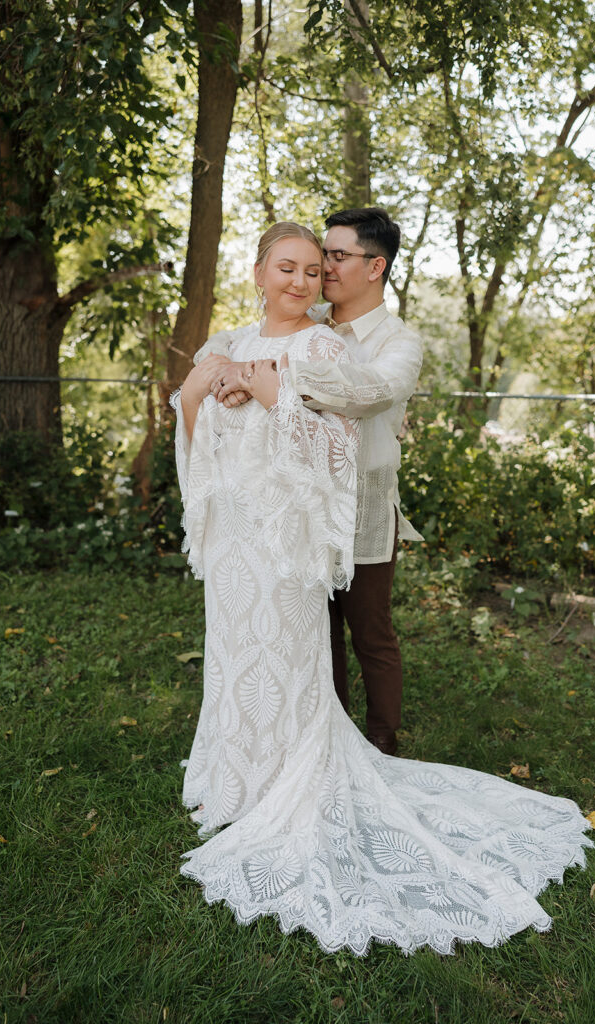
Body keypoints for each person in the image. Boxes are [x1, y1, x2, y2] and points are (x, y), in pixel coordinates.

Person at [172, 220, 592, 956]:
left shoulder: (346, 345)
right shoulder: (231, 340)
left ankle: (361, 747)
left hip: (308, 537)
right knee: (243, 655)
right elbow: (195, 423)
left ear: (373, 265)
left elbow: (343, 427)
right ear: (259, 270)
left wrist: (273, 390)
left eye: (323, 263)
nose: (311, 277)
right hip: (241, 541)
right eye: (295, 266)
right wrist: (203, 391)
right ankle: (234, 770)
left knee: (361, 632)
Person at [213, 207, 424, 756]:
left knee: (369, 628)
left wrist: (272, 376)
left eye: (336, 256)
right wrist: (227, 364)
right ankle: (326, 736)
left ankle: (382, 739)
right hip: (298, 501)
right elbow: (227, 342)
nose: (323, 267)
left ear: (374, 266)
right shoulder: (309, 320)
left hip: (362, 503)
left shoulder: (399, 343)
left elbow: (369, 392)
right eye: (322, 254)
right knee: (313, 626)